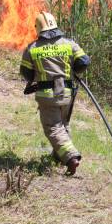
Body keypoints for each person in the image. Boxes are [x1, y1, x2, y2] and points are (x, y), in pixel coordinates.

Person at [20, 12, 90, 175]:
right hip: (66, 94)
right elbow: (84, 62)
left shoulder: (33, 48)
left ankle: (71, 157)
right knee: (63, 125)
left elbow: (26, 73)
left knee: (53, 128)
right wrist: (72, 70)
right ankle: (58, 157)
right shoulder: (69, 44)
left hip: (47, 96)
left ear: (38, 28)